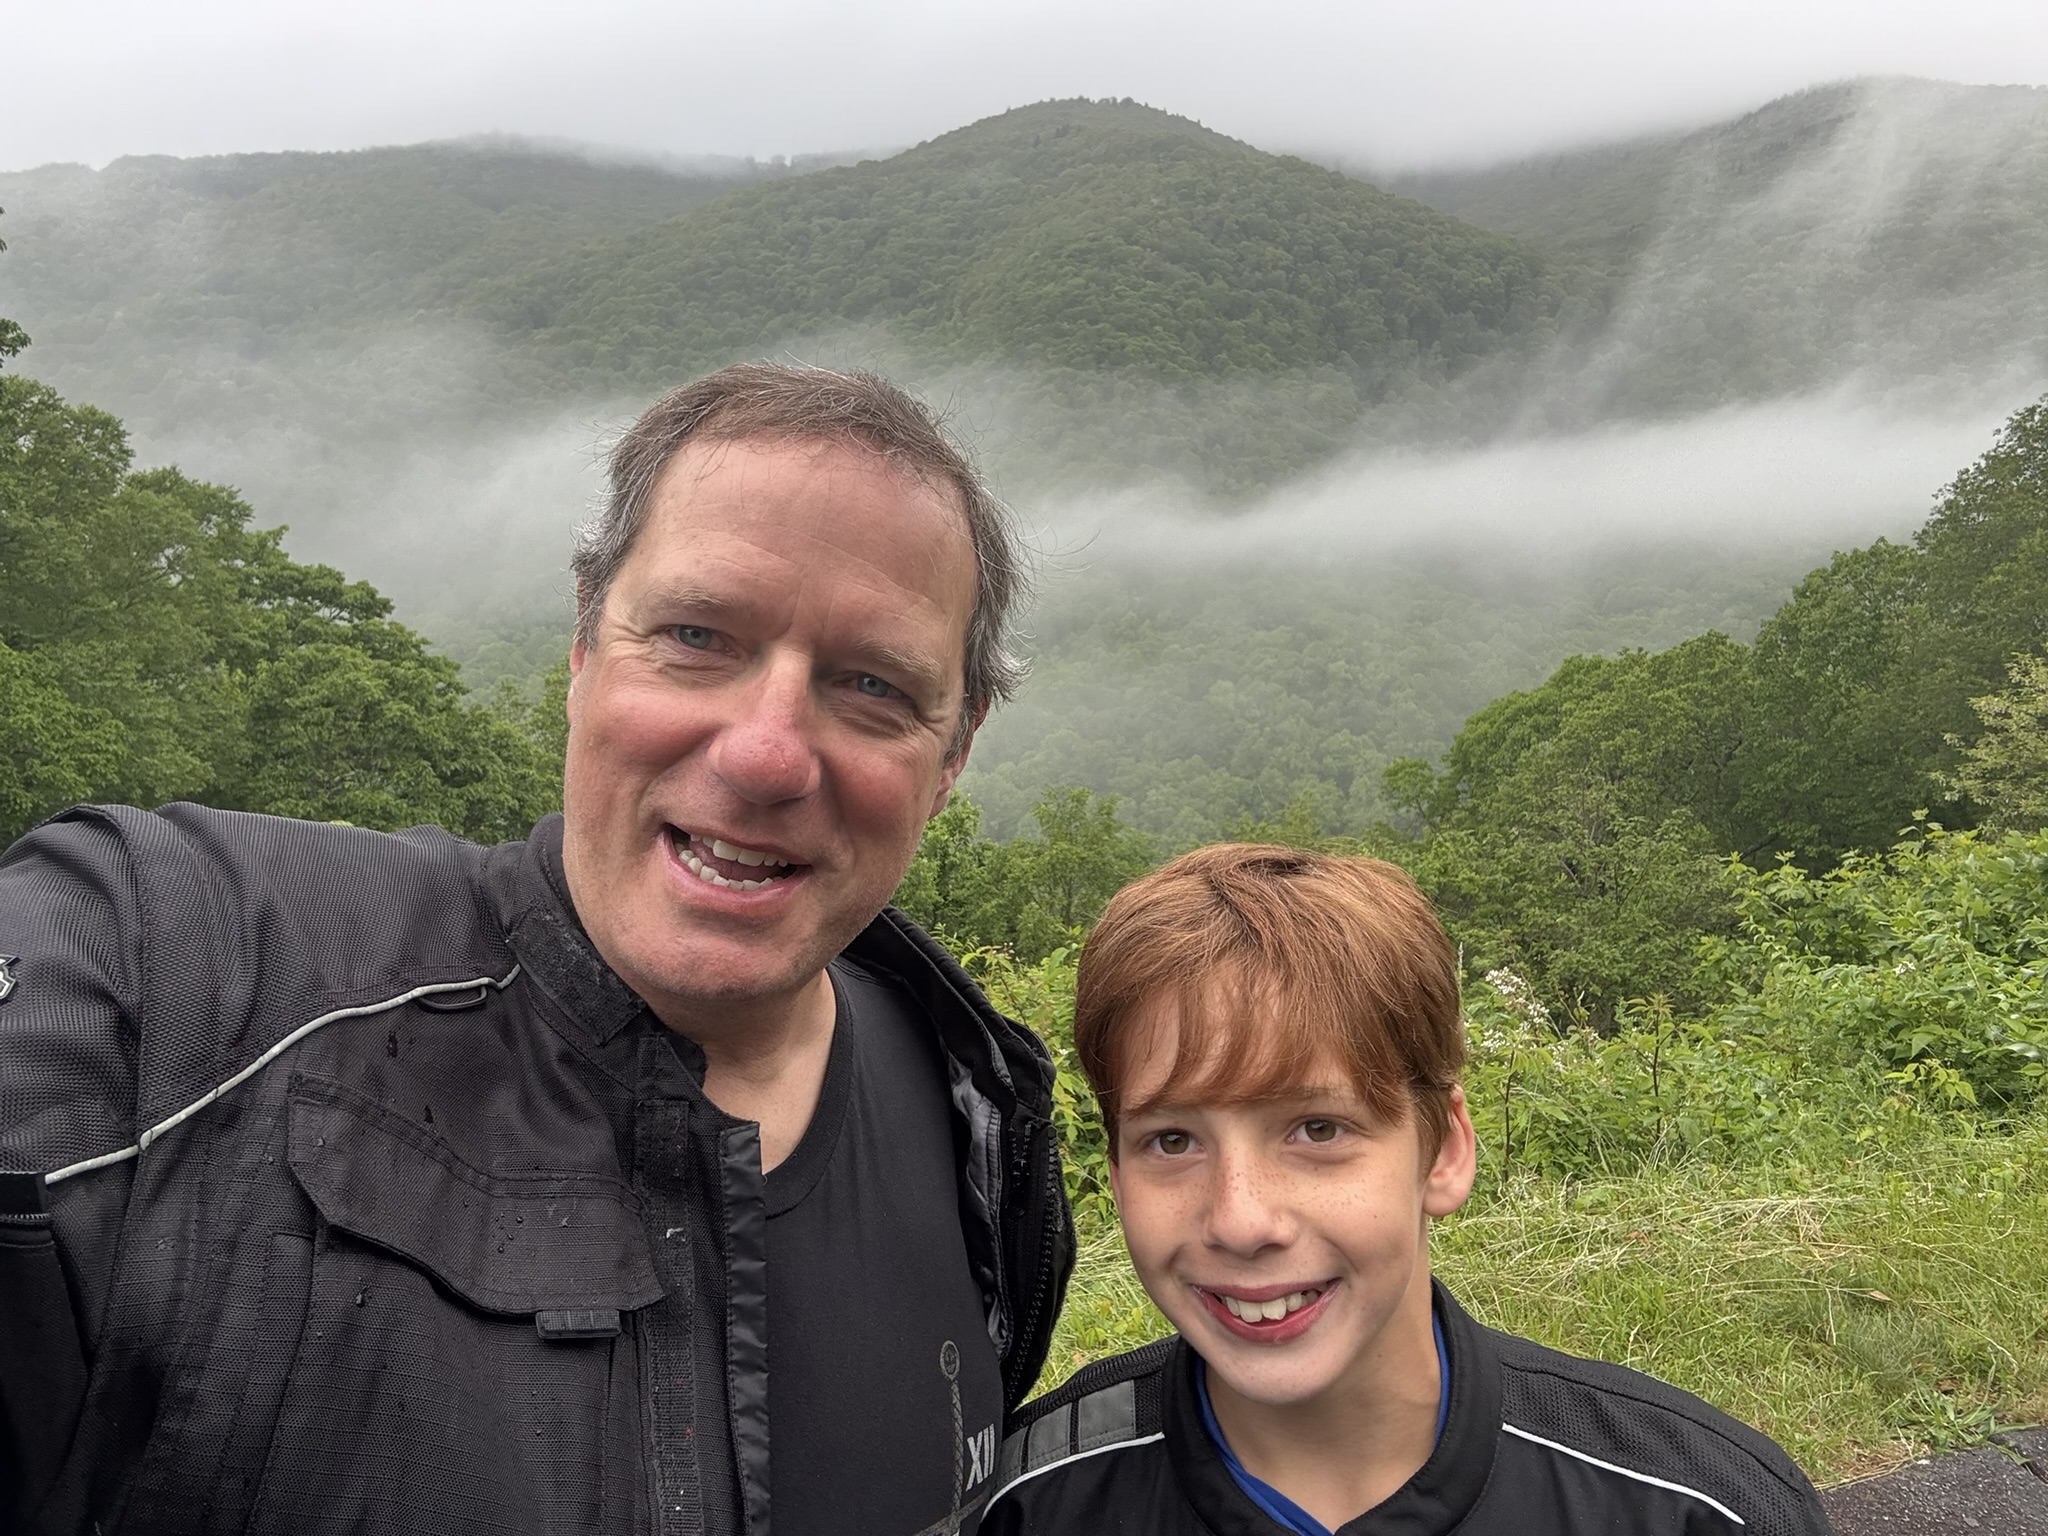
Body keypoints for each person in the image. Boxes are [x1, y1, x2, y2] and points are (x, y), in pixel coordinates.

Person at [0, 364, 1074, 1536]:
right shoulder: (181, 979)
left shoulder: (973, 1109)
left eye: (871, 686)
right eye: (696, 636)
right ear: (581, 643)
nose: (767, 755)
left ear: (952, 754)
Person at [981, 844, 1833, 1536]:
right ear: (1117, 1173)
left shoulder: (1697, 1509)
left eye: (1318, 1130)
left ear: (1443, 1151)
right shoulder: (1027, 1502)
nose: (1240, 1219)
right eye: (1171, 1140)